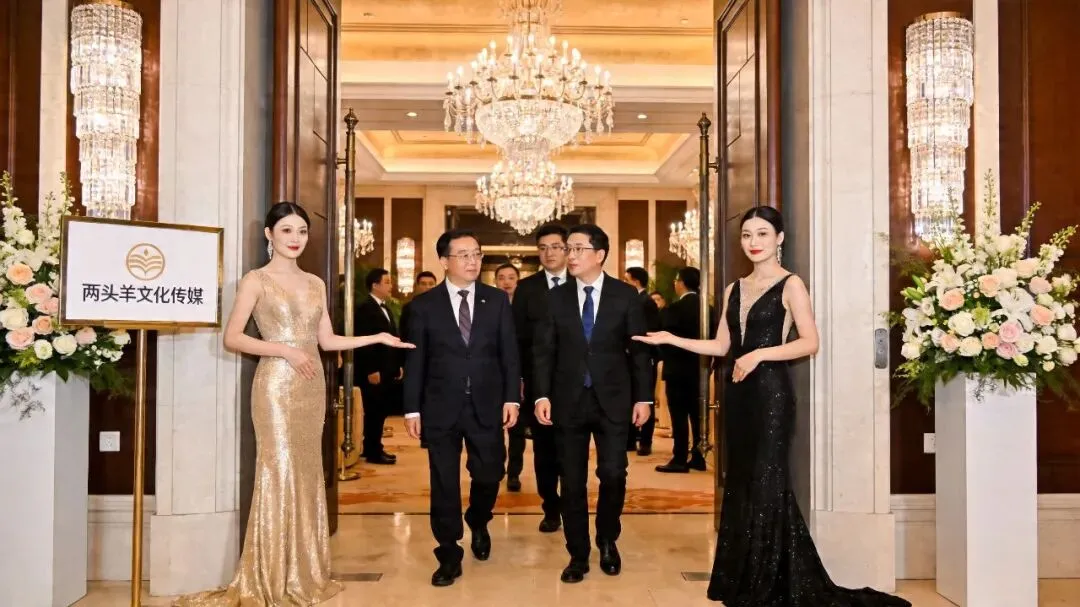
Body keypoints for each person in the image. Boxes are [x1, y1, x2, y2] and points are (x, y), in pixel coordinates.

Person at [633, 206, 910, 606]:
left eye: (762, 234)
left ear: (779, 238)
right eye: (747, 235)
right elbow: (722, 346)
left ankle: (766, 582)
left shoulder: (791, 284)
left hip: (771, 396)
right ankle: (742, 578)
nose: (754, 242)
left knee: (767, 481)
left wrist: (760, 354)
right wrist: (671, 339)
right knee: (743, 481)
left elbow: (810, 342)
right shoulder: (733, 288)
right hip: (739, 396)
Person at [174, 202, 413, 607]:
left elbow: (327, 342)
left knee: (305, 472)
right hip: (275, 386)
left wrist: (377, 338)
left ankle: (302, 571)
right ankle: (270, 574)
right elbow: (233, 337)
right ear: (269, 235)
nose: (296, 238)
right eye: (286, 230)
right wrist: (284, 349)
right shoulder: (255, 280)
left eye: (302, 230)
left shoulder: (316, 282)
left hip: (310, 387)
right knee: (278, 469)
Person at [533, 223, 652, 584]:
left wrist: (644, 397)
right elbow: (543, 352)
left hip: (613, 400)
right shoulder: (554, 298)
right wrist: (541, 394)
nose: (570, 255)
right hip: (567, 401)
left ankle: (607, 539)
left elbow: (639, 350)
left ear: (599, 255)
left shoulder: (625, 295)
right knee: (571, 481)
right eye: (568, 248)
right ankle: (578, 553)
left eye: (578, 249)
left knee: (613, 473)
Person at [402, 228, 520, 588]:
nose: (473, 261)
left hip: (487, 404)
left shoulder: (496, 300)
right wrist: (411, 409)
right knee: (444, 481)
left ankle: (479, 519)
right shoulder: (423, 306)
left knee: (490, 473)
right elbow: (415, 361)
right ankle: (448, 552)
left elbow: (509, 353)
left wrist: (511, 397)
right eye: (464, 255)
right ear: (444, 261)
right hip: (440, 406)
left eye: (477, 254)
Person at [509, 223, 568, 528]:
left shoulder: (582, 282)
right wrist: (518, 379)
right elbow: (517, 338)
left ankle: (572, 506)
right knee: (544, 451)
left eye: (555, 247)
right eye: (543, 248)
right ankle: (550, 506)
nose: (549, 253)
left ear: (568, 248)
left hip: (575, 382)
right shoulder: (528, 288)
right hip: (537, 382)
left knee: (571, 449)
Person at [656, 266, 711, 473]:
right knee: (698, 415)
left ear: (682, 283)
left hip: (677, 370)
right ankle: (698, 456)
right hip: (700, 369)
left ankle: (679, 458)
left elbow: (664, 339)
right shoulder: (708, 308)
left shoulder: (675, 309)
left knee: (679, 416)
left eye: (676, 280)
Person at [354, 268, 402, 464]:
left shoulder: (386, 308)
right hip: (374, 370)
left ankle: (372, 447)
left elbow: (392, 338)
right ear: (375, 285)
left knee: (380, 410)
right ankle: (374, 451)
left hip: (387, 368)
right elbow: (364, 341)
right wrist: (371, 369)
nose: (391, 286)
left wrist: (397, 365)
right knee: (374, 410)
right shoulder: (365, 308)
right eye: (387, 282)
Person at [622, 266, 661, 455]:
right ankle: (630, 439)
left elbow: (649, 331)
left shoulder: (646, 302)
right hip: (629, 358)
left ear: (635, 282)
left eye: (626, 280)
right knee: (629, 398)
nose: (624, 284)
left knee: (645, 397)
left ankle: (645, 441)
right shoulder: (634, 299)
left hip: (644, 357)